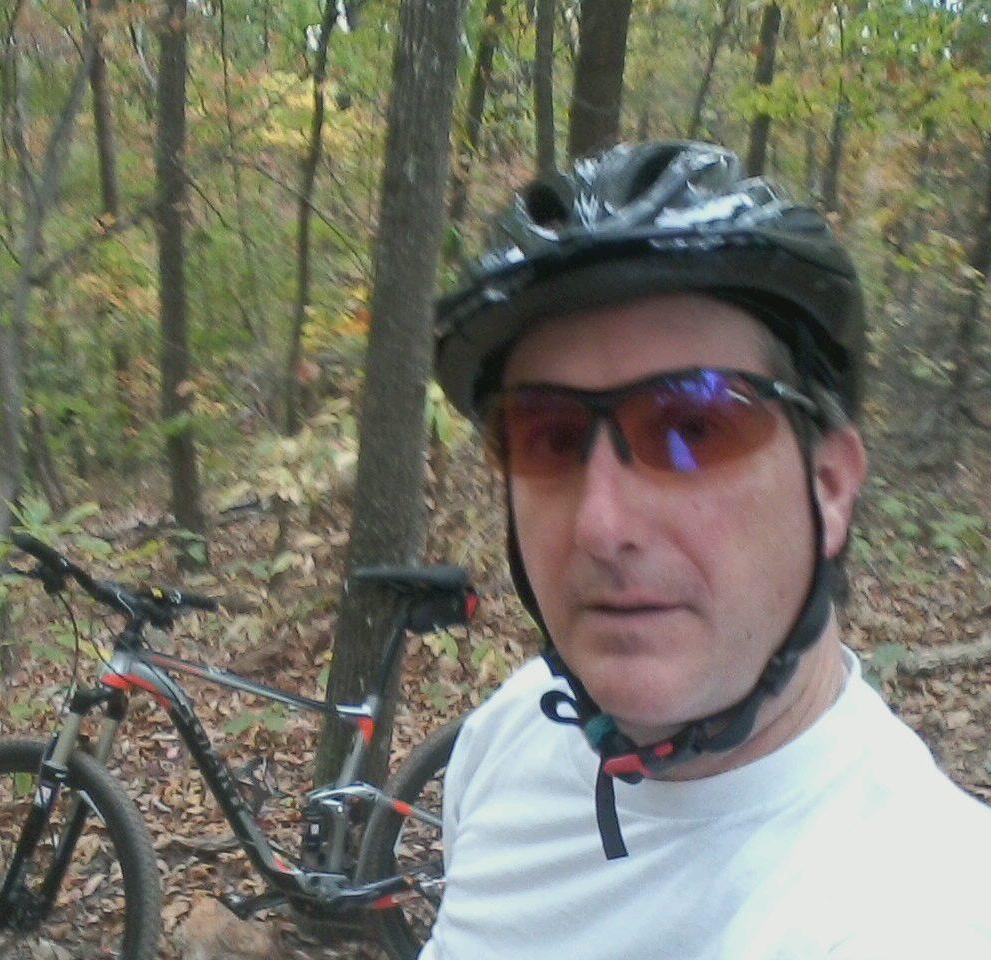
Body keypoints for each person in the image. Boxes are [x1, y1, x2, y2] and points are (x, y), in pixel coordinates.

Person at [424, 141, 991, 958]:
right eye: (549, 437)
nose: (601, 525)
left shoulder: (923, 917)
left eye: (694, 427)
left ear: (829, 484)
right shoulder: (509, 739)